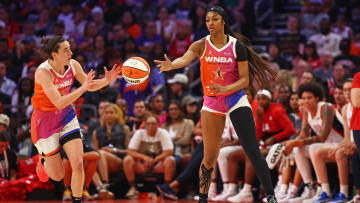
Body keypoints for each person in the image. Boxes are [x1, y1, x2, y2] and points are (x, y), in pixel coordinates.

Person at [154, 6, 278, 203]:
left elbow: (245, 80)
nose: (210, 23)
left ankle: (271, 196)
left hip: (235, 99)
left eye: (214, 19)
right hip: (212, 102)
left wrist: (225, 89)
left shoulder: (237, 46)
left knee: (253, 150)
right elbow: (184, 59)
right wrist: (172, 65)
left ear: (223, 22)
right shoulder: (200, 45)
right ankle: (203, 197)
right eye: (207, 20)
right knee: (209, 155)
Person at [30, 36, 122, 203]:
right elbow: (58, 102)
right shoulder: (42, 72)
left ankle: (77, 200)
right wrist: (83, 88)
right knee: (57, 175)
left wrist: (106, 80)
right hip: (44, 120)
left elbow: (90, 85)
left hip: (66, 116)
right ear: (54, 54)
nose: (71, 52)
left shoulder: (73, 65)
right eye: (66, 50)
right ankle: (43, 161)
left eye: (70, 48)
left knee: (78, 164)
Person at [283, 82, 344, 203]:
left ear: (317, 98)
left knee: (313, 148)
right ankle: (309, 188)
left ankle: (324, 191)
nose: (306, 101)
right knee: (297, 150)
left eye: (309, 98)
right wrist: (288, 144)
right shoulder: (306, 111)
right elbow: (303, 135)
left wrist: (294, 143)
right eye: (304, 98)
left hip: (342, 144)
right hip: (326, 147)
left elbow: (322, 137)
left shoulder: (326, 108)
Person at [123, 114, 175, 199]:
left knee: (170, 159)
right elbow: (130, 151)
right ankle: (133, 188)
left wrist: (155, 159)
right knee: (127, 159)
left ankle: (166, 188)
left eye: (153, 123)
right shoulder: (139, 133)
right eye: (148, 124)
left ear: (158, 124)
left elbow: (169, 151)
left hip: (158, 164)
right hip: (142, 165)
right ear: (145, 124)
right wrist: (144, 157)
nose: (151, 126)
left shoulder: (163, 133)